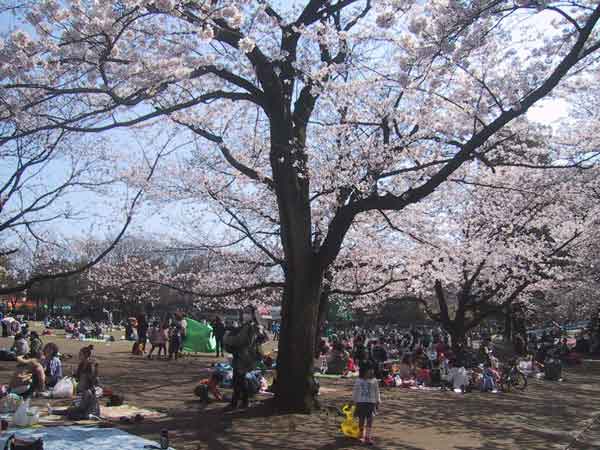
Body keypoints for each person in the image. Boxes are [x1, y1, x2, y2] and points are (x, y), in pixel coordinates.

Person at [352, 362, 380, 445]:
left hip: (371, 403)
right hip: (361, 402)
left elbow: (377, 391)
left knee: (370, 419)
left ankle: (368, 436)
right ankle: (361, 435)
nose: (371, 371)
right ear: (364, 371)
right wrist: (353, 401)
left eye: (372, 370)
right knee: (361, 419)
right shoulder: (358, 380)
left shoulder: (374, 381)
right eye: (369, 370)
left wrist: (378, 401)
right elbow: (355, 391)